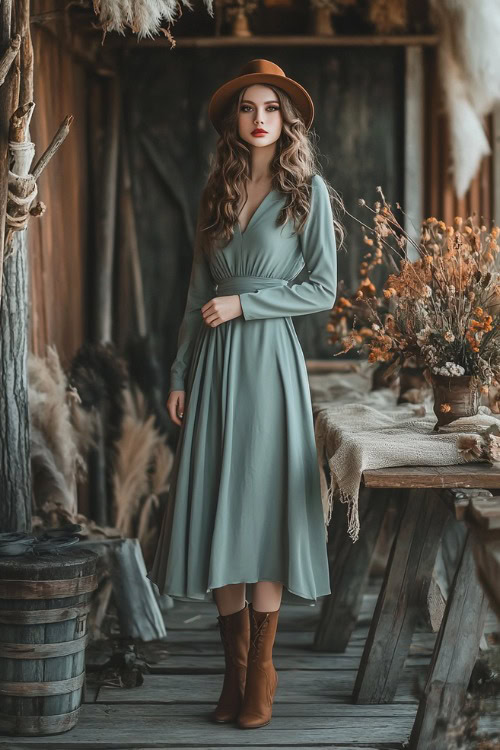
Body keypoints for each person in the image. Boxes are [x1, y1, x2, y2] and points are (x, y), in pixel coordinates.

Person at [148, 58, 343, 730]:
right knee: (217, 509)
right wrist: (177, 374)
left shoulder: (306, 192)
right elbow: (194, 296)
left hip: (268, 363)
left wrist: (246, 307)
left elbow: (322, 289)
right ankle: (234, 672)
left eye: (271, 108)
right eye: (247, 108)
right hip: (211, 366)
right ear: (234, 120)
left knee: (261, 509)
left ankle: (262, 667)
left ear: (287, 119)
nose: (259, 119)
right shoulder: (217, 191)